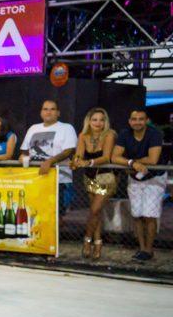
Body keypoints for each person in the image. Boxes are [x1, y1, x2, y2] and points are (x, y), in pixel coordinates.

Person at [111, 109, 166, 261]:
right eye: (134, 119)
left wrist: (130, 161)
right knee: (137, 214)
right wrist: (132, 163)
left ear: (146, 120)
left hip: (155, 178)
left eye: (141, 119)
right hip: (135, 177)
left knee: (149, 215)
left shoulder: (154, 134)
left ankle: (148, 250)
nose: (137, 122)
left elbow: (153, 159)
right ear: (129, 121)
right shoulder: (124, 134)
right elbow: (114, 157)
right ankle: (142, 249)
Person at [71, 108, 116, 259]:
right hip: (89, 178)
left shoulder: (110, 135)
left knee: (95, 210)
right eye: (94, 119)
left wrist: (88, 162)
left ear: (105, 122)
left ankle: (86, 241)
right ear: (88, 121)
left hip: (106, 177)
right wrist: (76, 161)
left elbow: (106, 158)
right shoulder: (83, 135)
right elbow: (78, 155)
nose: (98, 123)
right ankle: (97, 242)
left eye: (101, 120)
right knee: (95, 212)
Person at [20, 99, 78, 214]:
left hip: (58, 179)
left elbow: (69, 150)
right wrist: (22, 156)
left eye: (52, 109)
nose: (48, 112)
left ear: (58, 113)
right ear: (41, 112)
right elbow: (25, 150)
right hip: (35, 178)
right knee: (35, 211)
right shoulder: (33, 128)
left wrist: (49, 161)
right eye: (45, 109)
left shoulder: (67, 128)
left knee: (56, 215)